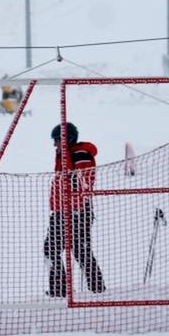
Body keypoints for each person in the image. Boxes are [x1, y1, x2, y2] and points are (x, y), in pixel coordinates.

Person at [43, 122, 105, 297]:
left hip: (76, 210)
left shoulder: (80, 153)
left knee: (79, 249)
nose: (54, 144)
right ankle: (60, 290)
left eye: (56, 140)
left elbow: (83, 180)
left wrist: (75, 206)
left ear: (66, 139)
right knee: (52, 249)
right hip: (62, 210)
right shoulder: (64, 154)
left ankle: (97, 289)